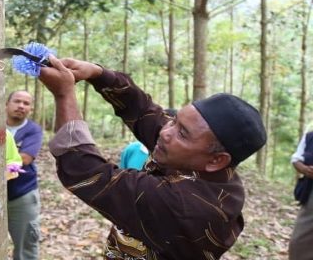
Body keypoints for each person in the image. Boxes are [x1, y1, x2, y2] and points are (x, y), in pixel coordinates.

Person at [38, 56, 267, 259]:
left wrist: (64, 94)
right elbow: (143, 110)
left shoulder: (185, 205)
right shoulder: (196, 158)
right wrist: (97, 74)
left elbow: (86, 170)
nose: (166, 131)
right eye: (175, 120)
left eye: (182, 133)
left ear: (217, 160)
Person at [6, 90, 43, 260]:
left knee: (25, 247)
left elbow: (25, 158)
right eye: (17, 101)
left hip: (21, 194)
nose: (21, 106)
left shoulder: (33, 130)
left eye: (26, 103)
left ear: (31, 109)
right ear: (7, 104)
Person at [288, 130, 313, 259]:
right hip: (311, 197)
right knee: (299, 242)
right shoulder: (310, 137)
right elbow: (296, 159)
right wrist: (304, 169)